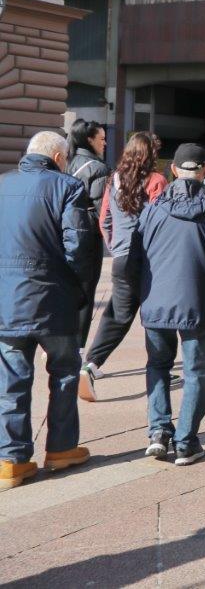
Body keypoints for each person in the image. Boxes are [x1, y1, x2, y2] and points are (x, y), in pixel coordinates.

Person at [0, 132, 95, 489]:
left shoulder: (2, 185)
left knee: (11, 381)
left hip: (7, 303)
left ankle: (11, 460)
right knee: (65, 373)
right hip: (54, 301)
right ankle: (60, 449)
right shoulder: (67, 187)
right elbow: (80, 248)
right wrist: (76, 289)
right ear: (58, 157)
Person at [136, 143, 205, 466]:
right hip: (199, 302)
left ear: (175, 171)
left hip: (156, 302)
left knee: (158, 366)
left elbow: (138, 255)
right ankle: (186, 441)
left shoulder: (152, 209)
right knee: (195, 374)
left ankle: (158, 432)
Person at [80, 132, 168, 401]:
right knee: (157, 316)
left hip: (121, 258)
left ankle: (90, 365)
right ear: (150, 154)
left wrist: (116, 246)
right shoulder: (157, 181)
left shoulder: (113, 179)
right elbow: (160, 223)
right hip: (149, 260)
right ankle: (160, 368)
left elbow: (104, 219)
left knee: (117, 315)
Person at [67, 118, 110, 350]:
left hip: (63, 236)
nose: (105, 144)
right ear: (89, 139)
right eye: (102, 139)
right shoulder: (99, 168)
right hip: (86, 239)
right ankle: (78, 352)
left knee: (66, 294)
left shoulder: (66, 163)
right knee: (85, 296)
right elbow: (102, 212)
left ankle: (59, 346)